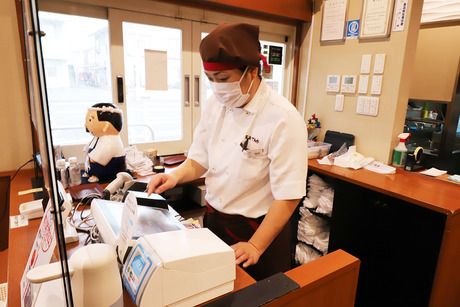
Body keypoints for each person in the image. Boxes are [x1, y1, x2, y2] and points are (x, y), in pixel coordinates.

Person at [147, 23, 307, 280]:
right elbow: (198, 159)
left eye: (223, 79)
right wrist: (174, 177)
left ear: (252, 71)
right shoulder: (216, 104)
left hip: (258, 229)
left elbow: (288, 196)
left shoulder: (283, 118)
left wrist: (256, 245)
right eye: (211, 80)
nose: (216, 88)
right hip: (215, 222)